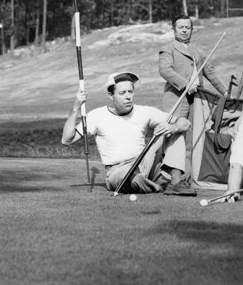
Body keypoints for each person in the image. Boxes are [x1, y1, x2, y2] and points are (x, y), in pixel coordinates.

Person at [61, 71, 195, 195]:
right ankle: (157, 185)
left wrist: (174, 127)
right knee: (127, 176)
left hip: (145, 162)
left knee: (174, 130)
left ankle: (175, 183)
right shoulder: (96, 116)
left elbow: (185, 123)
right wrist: (76, 107)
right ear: (111, 95)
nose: (128, 97)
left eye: (130, 92)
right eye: (122, 93)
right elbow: (66, 140)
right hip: (118, 170)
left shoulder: (145, 112)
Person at [158, 15, 228, 121]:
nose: (184, 31)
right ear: (174, 30)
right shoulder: (168, 49)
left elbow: (211, 74)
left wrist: (225, 92)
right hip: (177, 101)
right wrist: (186, 85)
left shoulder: (198, 51)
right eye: (181, 27)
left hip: (197, 101)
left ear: (191, 30)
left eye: (187, 28)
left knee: (195, 134)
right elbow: (165, 70)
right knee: (174, 133)